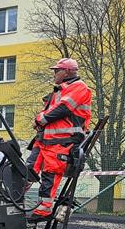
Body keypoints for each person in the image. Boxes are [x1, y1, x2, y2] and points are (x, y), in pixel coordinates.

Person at [28, 58, 92, 219]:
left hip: (61, 141)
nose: (54, 73)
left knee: (50, 173)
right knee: (27, 170)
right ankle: (11, 202)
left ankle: (44, 210)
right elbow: (52, 111)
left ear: (68, 72)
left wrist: (40, 119)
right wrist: (40, 121)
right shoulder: (60, 90)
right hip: (45, 140)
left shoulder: (79, 87)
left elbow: (62, 109)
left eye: (57, 70)